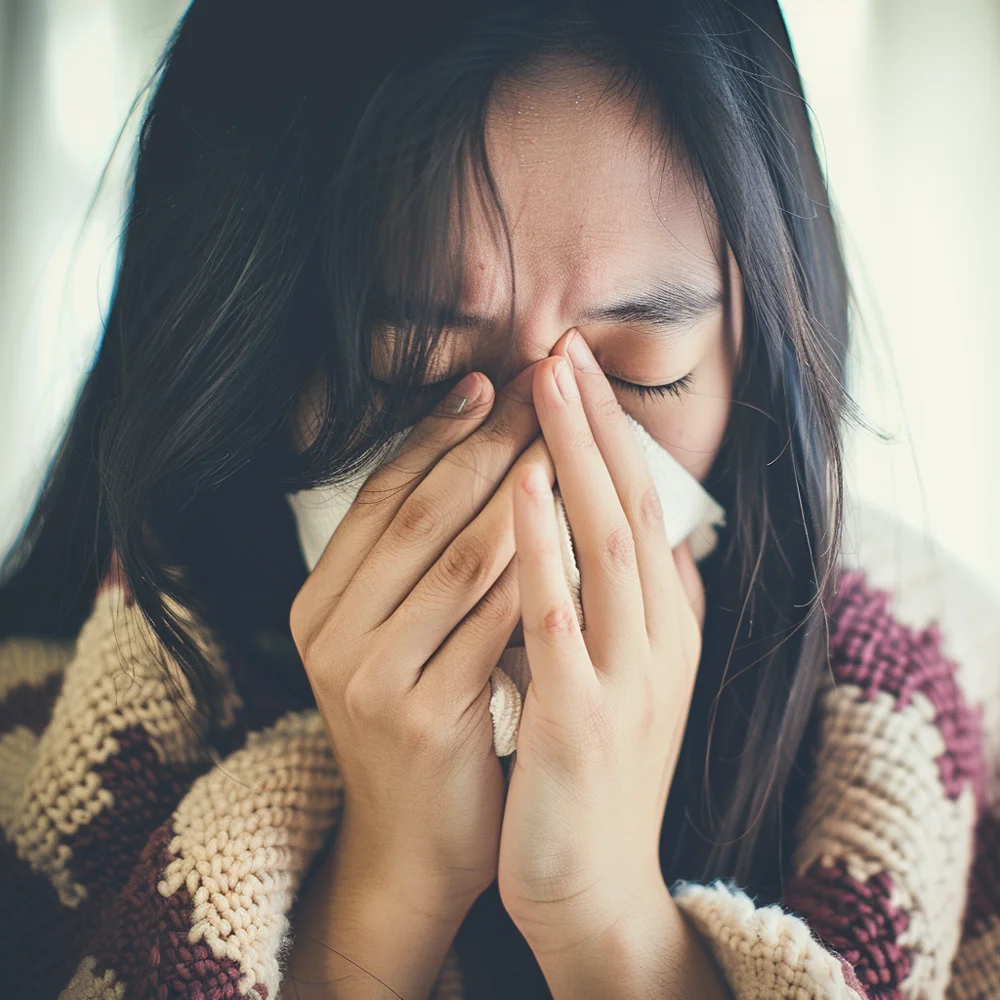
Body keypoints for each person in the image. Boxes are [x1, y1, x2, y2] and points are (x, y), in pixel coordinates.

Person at [1, 1, 997, 997]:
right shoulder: (33, 763)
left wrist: (606, 921)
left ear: (755, 353)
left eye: (639, 367)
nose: (539, 470)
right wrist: (392, 885)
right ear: (237, 364)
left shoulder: (946, 726)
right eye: (411, 369)